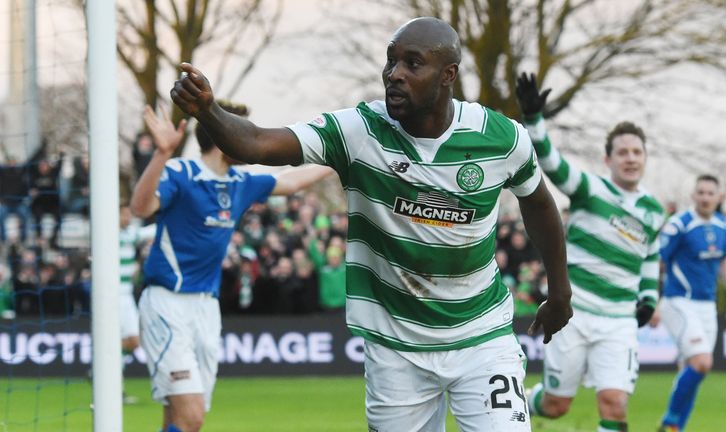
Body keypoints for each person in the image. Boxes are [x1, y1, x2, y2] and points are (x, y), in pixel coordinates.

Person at [172, 17, 573, 432]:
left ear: (448, 75)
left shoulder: (502, 138)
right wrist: (209, 111)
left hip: (481, 336)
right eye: (391, 61)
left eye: (413, 64)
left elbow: (540, 205)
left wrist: (560, 292)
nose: (394, 74)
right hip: (395, 347)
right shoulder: (359, 131)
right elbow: (256, 142)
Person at [131, 104, 334, 432]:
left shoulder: (240, 181)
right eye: (239, 134)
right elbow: (140, 207)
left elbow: (292, 181)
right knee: (191, 414)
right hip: (168, 304)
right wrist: (161, 154)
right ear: (220, 138)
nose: (247, 142)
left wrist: (342, 158)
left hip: (207, 309)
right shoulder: (181, 173)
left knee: (183, 421)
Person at [516, 72, 666, 432]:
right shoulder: (589, 188)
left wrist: (648, 298)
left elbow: (650, 257)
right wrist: (534, 120)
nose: (631, 158)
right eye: (623, 152)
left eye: (637, 152)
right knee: (556, 406)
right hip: (573, 313)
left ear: (645, 158)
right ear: (608, 159)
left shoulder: (655, 211)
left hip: (618, 321)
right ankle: (514, 405)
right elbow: (552, 164)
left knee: (614, 404)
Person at [652, 174, 726, 432]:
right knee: (702, 362)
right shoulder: (680, 224)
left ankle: (676, 428)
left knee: (694, 373)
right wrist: (653, 299)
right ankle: (669, 422)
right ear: (693, 195)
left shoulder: (722, 224)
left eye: (710, 193)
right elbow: (657, 261)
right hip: (679, 301)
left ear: (718, 197)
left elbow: (724, 260)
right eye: (700, 192)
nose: (704, 197)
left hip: (707, 306)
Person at [118, 202, 155, 404]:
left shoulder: (129, 232)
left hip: (125, 295)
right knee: (131, 340)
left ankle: (107, 375)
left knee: (132, 341)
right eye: (124, 214)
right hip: (112, 296)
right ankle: (107, 375)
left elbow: (144, 233)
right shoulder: (113, 234)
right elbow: (146, 233)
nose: (128, 217)